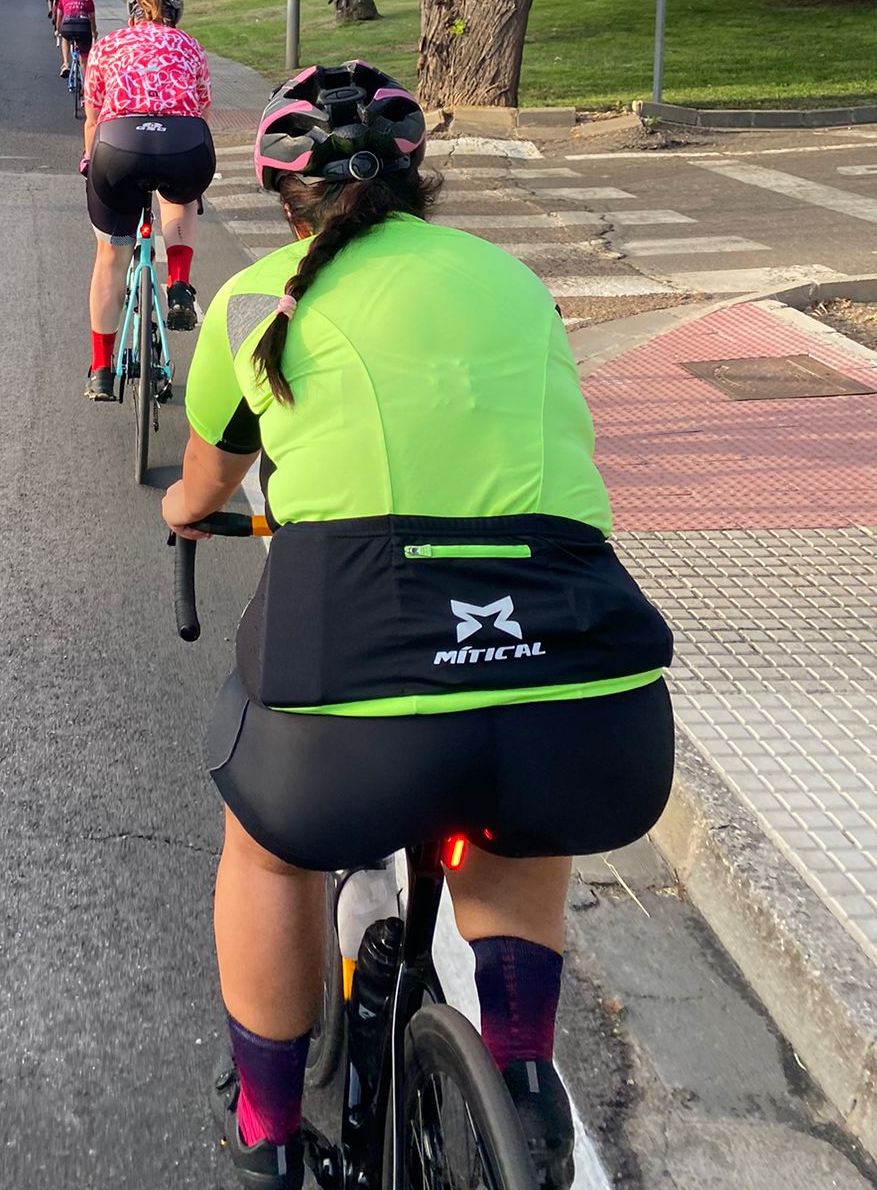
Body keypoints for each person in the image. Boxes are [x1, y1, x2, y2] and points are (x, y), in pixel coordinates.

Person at [162, 63, 675, 1190]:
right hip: (588, 680)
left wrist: (184, 513)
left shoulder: (259, 299)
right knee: (518, 818)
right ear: (418, 180)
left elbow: (209, 481)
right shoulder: (514, 280)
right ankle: (525, 1079)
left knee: (269, 844)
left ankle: (265, 1128)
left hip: (358, 689)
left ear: (285, 197)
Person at [80, 0, 214, 398]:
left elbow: (93, 118)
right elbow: (203, 110)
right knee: (181, 197)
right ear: (174, 13)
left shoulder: (106, 47)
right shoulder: (190, 45)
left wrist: (90, 163)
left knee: (110, 257)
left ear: (133, 12)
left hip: (118, 147)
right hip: (182, 144)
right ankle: (177, 283)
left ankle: (102, 370)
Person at [54, 0, 96, 80]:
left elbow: (59, 16)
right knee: (84, 59)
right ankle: (85, 87)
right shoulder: (88, 0)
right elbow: (92, 18)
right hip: (83, 27)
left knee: (65, 38)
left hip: (67, 26)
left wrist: (58, 29)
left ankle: (66, 64)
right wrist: (94, 32)